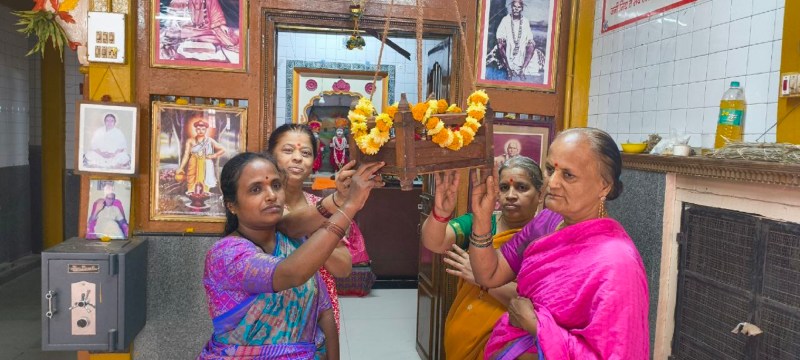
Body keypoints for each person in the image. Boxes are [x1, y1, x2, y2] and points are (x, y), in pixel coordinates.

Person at [469, 128, 650, 359]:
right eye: (550, 169)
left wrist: (536, 326)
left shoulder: (618, 262)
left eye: (568, 175)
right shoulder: (548, 221)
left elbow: (615, 354)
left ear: (604, 186)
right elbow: (490, 274)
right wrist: (482, 218)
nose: (552, 183)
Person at [199, 152, 383, 358]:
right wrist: (349, 206)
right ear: (231, 204)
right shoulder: (226, 255)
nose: (271, 195)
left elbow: (324, 311)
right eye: (256, 189)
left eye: (276, 185)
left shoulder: (292, 241)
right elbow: (292, 273)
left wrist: (341, 198)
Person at [420, 156, 559, 360]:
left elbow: (541, 305)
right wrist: (440, 214)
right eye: (503, 188)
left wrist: (481, 278)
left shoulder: (547, 235)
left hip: (510, 343)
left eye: (521, 188)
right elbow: (435, 242)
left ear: (540, 194)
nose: (510, 195)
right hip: (464, 332)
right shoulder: (483, 224)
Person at [267, 123, 373, 330]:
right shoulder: (264, 203)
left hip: (318, 310)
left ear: (314, 160)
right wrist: (329, 217)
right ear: (270, 156)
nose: (298, 158)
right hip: (271, 309)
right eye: (288, 150)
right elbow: (288, 224)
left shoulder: (322, 206)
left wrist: (319, 230)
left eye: (305, 152)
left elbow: (343, 268)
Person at [176, 119, 225, 194]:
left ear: (206, 130)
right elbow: (186, 155)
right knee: (191, 177)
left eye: (203, 129)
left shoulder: (209, 140)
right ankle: (191, 195)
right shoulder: (190, 140)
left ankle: (203, 196)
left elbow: (223, 149)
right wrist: (181, 167)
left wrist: (213, 156)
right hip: (193, 162)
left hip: (205, 163)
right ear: (195, 129)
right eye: (198, 129)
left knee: (204, 179)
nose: (200, 131)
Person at [493, 0, 539, 81]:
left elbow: (529, 34)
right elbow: (500, 32)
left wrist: (530, 40)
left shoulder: (525, 21)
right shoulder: (505, 19)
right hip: (509, 45)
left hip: (522, 46)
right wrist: (501, 38)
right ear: (512, 7)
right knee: (500, 45)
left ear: (521, 9)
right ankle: (509, 70)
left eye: (519, 7)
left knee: (531, 45)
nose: (516, 9)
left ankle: (522, 70)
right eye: (514, 6)